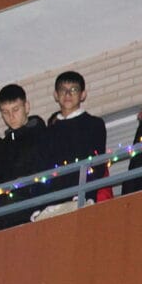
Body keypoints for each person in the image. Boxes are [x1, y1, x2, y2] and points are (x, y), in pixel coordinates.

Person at [33, 70, 108, 207]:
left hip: (82, 197)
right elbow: (41, 169)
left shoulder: (93, 123)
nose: (68, 94)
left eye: (73, 90)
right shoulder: (47, 133)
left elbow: (98, 164)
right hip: (52, 203)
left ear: (83, 94)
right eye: (63, 90)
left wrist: (86, 193)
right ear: (56, 95)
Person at [0, 83, 47, 233]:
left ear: (27, 107)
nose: (11, 117)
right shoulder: (0, 149)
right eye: (5, 112)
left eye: (15, 110)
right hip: (3, 222)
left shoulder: (43, 136)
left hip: (34, 216)